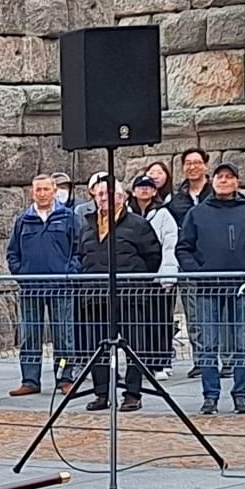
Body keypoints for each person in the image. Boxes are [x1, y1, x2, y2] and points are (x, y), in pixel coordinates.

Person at [177, 162, 245, 415]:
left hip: (240, 288)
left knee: (241, 344)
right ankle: (210, 396)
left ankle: (240, 395)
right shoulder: (197, 214)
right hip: (208, 288)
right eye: (220, 177)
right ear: (213, 180)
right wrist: (196, 273)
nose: (224, 181)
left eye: (230, 177)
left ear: (237, 182)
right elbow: (184, 248)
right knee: (208, 345)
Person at [76, 175, 162, 411]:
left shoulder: (137, 224)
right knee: (98, 346)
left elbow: (153, 256)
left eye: (109, 194)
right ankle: (102, 393)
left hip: (129, 295)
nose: (104, 198)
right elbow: (80, 254)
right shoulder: (87, 224)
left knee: (135, 345)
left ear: (122, 197)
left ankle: (132, 394)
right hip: (95, 296)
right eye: (100, 194)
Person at [6, 173, 80, 396]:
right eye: (38, 190)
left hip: (61, 286)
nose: (42, 194)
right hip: (31, 287)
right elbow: (12, 253)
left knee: (63, 335)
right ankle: (30, 380)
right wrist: (21, 273)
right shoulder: (23, 220)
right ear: (32, 192)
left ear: (54, 190)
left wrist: (70, 272)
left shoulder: (68, 217)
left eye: (46, 189)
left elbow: (79, 249)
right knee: (30, 334)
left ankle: (64, 378)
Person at [126, 174, 179, 380]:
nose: (145, 190)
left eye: (149, 186)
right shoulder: (127, 214)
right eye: (140, 186)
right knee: (141, 322)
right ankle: (143, 361)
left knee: (161, 320)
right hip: (137, 277)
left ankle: (162, 362)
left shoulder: (164, 214)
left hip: (159, 277)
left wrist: (167, 274)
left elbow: (170, 244)